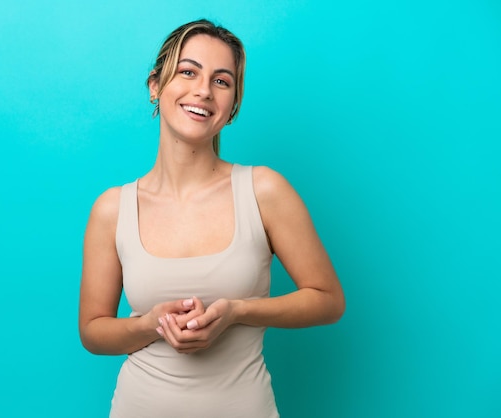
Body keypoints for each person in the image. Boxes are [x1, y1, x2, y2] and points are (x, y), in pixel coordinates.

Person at [79, 19, 345, 418]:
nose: (203, 90)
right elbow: (93, 331)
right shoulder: (112, 209)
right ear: (155, 85)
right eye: (188, 72)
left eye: (222, 81)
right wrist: (150, 325)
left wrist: (238, 311)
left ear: (233, 106)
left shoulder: (265, 191)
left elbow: (329, 301)